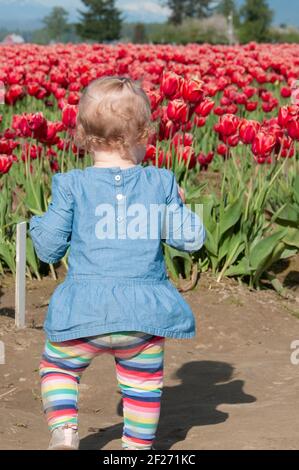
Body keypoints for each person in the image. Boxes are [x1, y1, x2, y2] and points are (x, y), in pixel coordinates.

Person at [29, 76, 206, 450]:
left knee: (58, 367)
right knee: (142, 387)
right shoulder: (160, 182)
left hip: (83, 313)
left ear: (80, 132)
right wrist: (179, 203)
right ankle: (136, 449)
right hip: (143, 317)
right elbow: (191, 238)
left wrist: (38, 223)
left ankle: (64, 431)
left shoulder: (70, 185)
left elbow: (47, 250)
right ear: (146, 133)